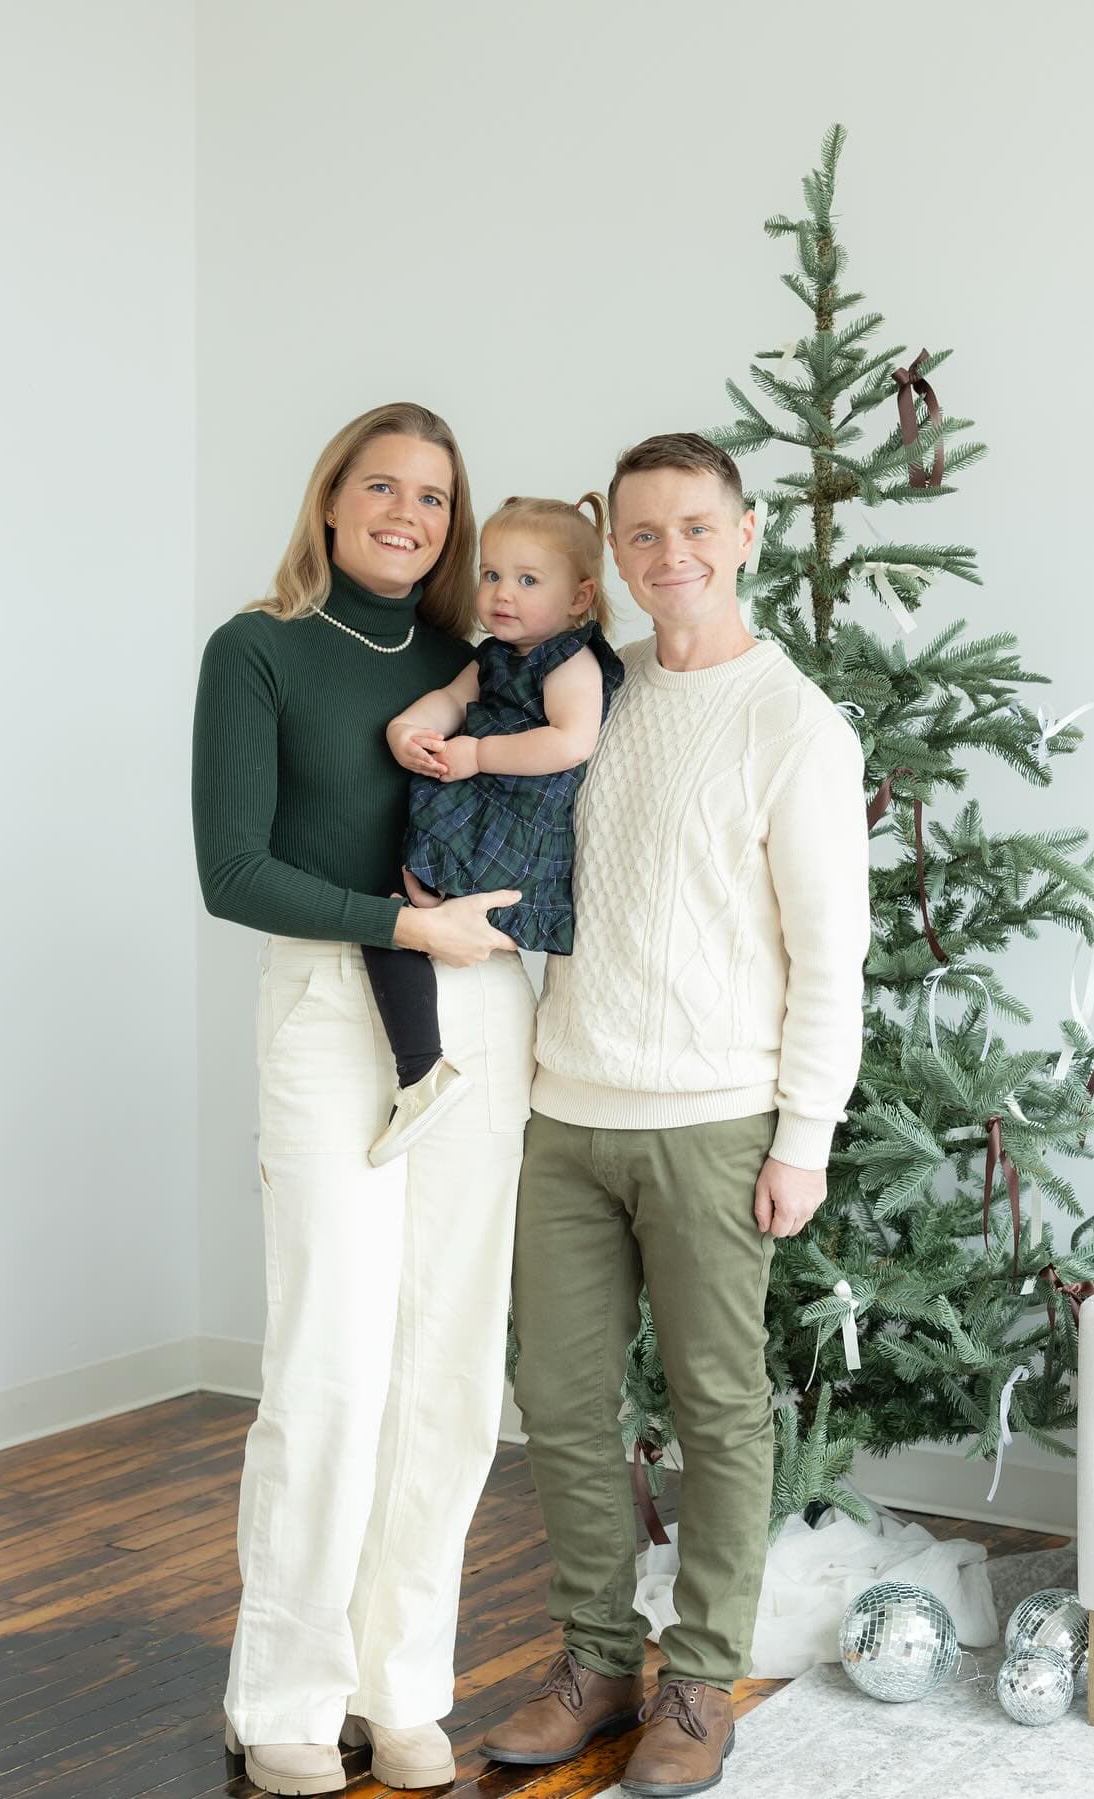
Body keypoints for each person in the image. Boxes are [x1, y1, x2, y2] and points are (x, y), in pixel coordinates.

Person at [480, 434, 872, 1797]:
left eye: (697, 527)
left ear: (746, 533)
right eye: (642, 533)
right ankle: (597, 1661)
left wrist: (805, 1136)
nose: (671, 555)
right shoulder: (595, 690)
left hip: (716, 1119)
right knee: (558, 1399)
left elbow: (830, 955)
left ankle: (701, 1679)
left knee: (717, 1405)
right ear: (615, 553)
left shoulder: (796, 725)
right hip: (565, 1108)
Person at [192, 401, 536, 1798]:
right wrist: (406, 928)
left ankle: (397, 1684)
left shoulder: (480, 661)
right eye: (382, 486)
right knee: (329, 1359)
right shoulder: (258, 649)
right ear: (330, 499)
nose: (408, 514)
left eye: (435, 496)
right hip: (336, 1002)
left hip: (483, 1006)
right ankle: (283, 1690)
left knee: (448, 1364)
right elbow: (232, 870)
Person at [362, 494, 625, 1167]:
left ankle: (421, 1067)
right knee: (392, 910)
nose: (503, 593)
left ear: (580, 597)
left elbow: (571, 740)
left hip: (520, 824)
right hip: (480, 809)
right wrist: (407, 730)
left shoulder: (571, 661)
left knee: (395, 910)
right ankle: (423, 1066)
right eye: (492, 574)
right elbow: (452, 700)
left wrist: (478, 754)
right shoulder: (493, 655)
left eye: (528, 579)